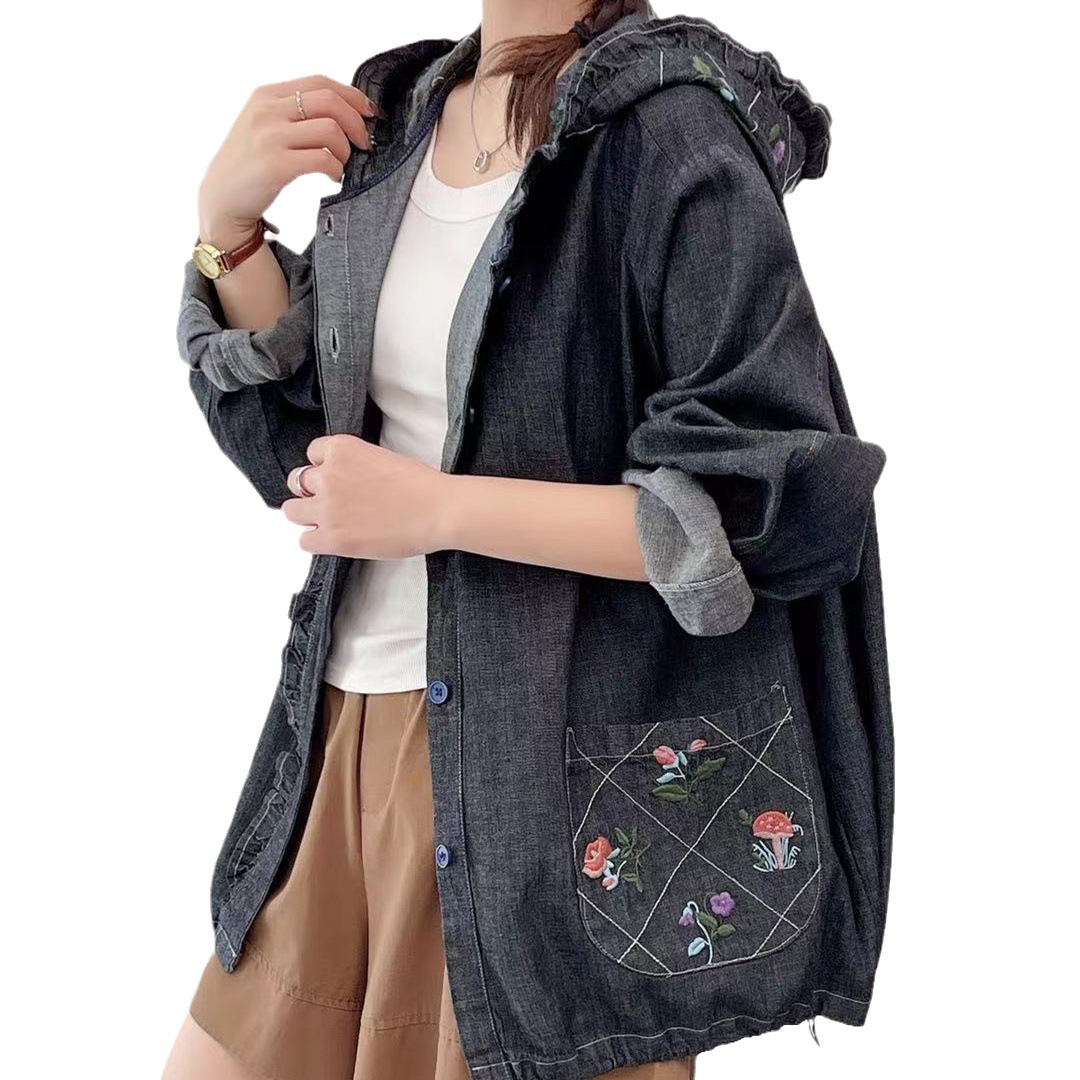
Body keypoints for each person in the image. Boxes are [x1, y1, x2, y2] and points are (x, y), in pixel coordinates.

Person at [163, 2, 893, 1079]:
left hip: (548, 788)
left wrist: (441, 509)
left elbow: (761, 510)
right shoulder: (401, 118)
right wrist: (227, 231)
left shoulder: (671, 134)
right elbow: (312, 456)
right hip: (338, 738)